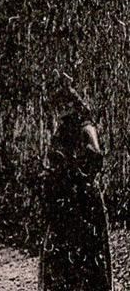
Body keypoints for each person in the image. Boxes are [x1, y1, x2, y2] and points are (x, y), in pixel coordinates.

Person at [38, 77, 112, 290]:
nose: (60, 113)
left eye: (62, 107)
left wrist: (76, 175)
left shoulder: (85, 128)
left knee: (85, 258)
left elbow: (95, 158)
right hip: (65, 200)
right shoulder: (63, 129)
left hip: (81, 202)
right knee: (61, 256)